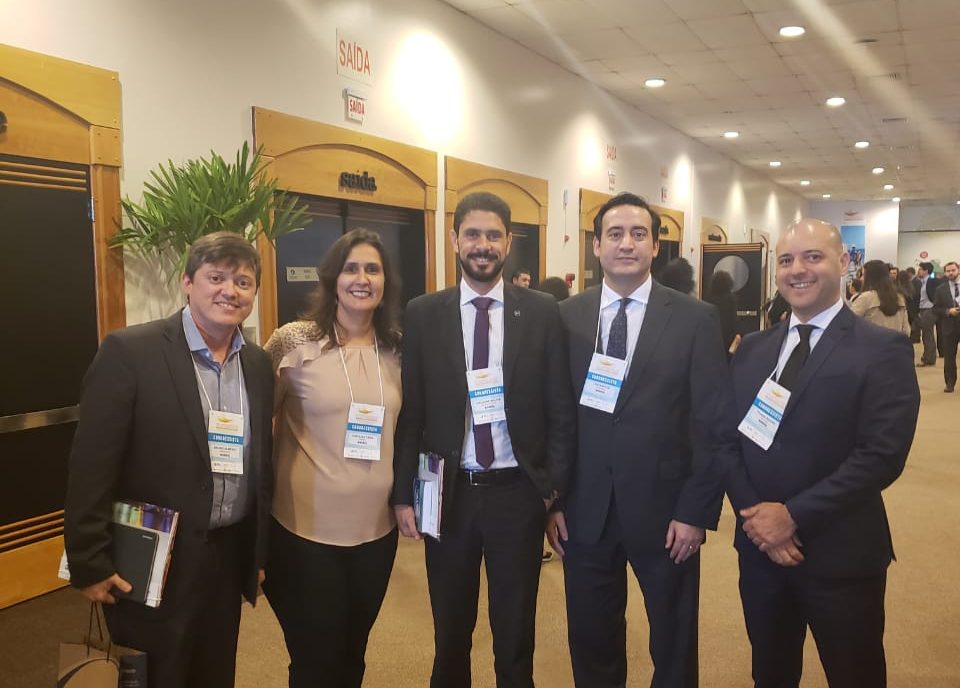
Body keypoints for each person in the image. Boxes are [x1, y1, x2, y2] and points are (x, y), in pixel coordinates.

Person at [64, 232, 274, 688]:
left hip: (225, 555)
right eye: (216, 278)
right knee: (155, 675)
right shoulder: (131, 351)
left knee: (214, 672)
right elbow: (92, 465)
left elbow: (261, 465)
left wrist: (255, 552)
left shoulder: (257, 365)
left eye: (243, 282)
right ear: (188, 282)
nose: (230, 291)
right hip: (153, 555)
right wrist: (89, 561)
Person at [551, 192, 738, 688]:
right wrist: (553, 500)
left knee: (673, 642)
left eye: (639, 234)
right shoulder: (566, 316)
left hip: (667, 511)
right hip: (585, 509)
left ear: (656, 246)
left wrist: (696, 511)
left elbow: (712, 424)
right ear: (596, 245)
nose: (626, 244)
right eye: (615, 234)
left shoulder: (696, 318)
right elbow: (557, 416)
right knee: (591, 637)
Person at [392, 191, 575, 688]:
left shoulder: (541, 311)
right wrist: (404, 493)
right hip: (446, 493)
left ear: (509, 242)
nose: (483, 245)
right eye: (472, 234)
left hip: (517, 494)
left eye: (494, 235)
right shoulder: (424, 313)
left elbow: (560, 409)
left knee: (515, 632)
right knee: (450, 630)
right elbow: (413, 413)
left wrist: (553, 491)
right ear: (454, 240)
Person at [730, 218, 920, 688]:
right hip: (760, 552)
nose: (798, 269)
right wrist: (757, 519)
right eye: (787, 260)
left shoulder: (883, 349)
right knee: (770, 673)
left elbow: (881, 455)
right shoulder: (752, 349)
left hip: (841, 552)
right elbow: (725, 438)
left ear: (843, 261)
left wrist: (792, 516)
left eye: (812, 257)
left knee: (855, 674)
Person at [262, 229, 402, 687]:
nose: (362, 279)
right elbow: (255, 422)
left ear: (385, 282)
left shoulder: (398, 349)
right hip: (304, 534)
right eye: (351, 268)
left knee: (352, 654)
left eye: (373, 269)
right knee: (314, 659)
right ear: (332, 278)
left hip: (376, 534)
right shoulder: (293, 343)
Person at [850, 259, 910, 335]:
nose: (861, 278)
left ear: (871, 277)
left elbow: (848, 324)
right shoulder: (899, 298)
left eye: (863, 275)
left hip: (871, 341)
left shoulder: (865, 298)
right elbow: (906, 331)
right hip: (895, 341)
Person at [933, 261, 960, 392]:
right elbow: (935, 308)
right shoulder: (940, 289)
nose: (950, 273)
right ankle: (950, 383)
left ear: (958, 270)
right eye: (948, 271)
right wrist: (948, 311)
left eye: (953, 270)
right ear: (945, 273)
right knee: (949, 357)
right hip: (949, 326)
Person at [704, 269, 739, 351]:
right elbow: (733, 319)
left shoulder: (708, 298)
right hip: (727, 333)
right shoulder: (731, 299)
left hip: (711, 332)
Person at [915, 261, 940, 366]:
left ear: (926, 271)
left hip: (929, 309)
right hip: (922, 309)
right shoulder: (921, 282)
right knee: (926, 334)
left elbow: (938, 294)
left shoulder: (932, 281)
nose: (918, 271)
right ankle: (929, 358)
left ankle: (928, 358)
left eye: (920, 269)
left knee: (927, 334)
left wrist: (935, 305)